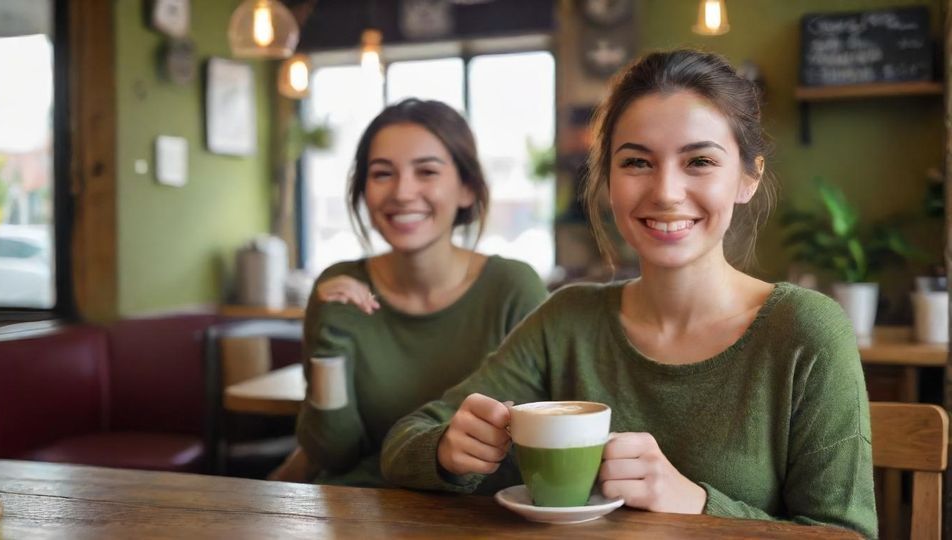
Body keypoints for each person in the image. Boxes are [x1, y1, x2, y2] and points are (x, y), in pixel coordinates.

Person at [381, 50, 877, 538]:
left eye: (699, 160)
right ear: (608, 180)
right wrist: (449, 449)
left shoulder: (805, 330)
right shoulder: (568, 319)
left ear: (748, 177)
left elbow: (846, 534)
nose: (665, 192)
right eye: (637, 162)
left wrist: (697, 506)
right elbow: (406, 443)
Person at [283, 98, 548, 487]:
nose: (403, 192)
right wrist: (330, 338)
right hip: (357, 511)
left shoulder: (513, 288)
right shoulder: (339, 290)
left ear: (467, 189)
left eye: (426, 171)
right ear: (363, 191)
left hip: (477, 518)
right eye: (382, 173)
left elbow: (531, 446)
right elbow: (332, 453)